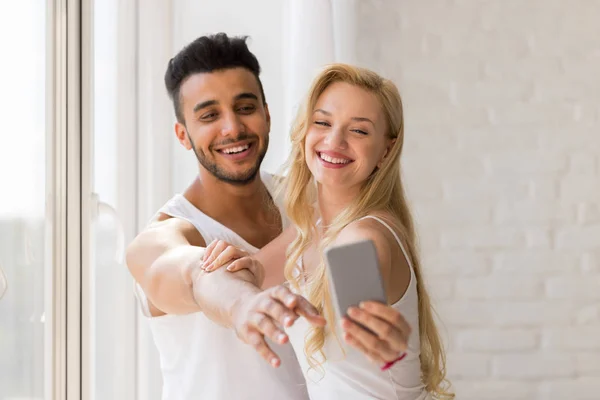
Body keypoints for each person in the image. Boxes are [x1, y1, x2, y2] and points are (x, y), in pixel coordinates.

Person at [125, 34, 412, 400]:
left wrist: (375, 331)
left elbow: (352, 255)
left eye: (245, 107)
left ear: (267, 114)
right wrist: (243, 304)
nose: (232, 128)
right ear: (183, 135)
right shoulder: (165, 236)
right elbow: (196, 274)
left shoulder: (313, 205)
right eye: (210, 115)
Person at [200, 64, 455, 399]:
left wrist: (372, 332)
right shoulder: (311, 230)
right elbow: (248, 275)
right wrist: (219, 269)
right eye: (322, 122)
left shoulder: (363, 236)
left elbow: (356, 305)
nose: (335, 141)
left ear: (386, 151)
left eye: (359, 131)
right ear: (306, 131)